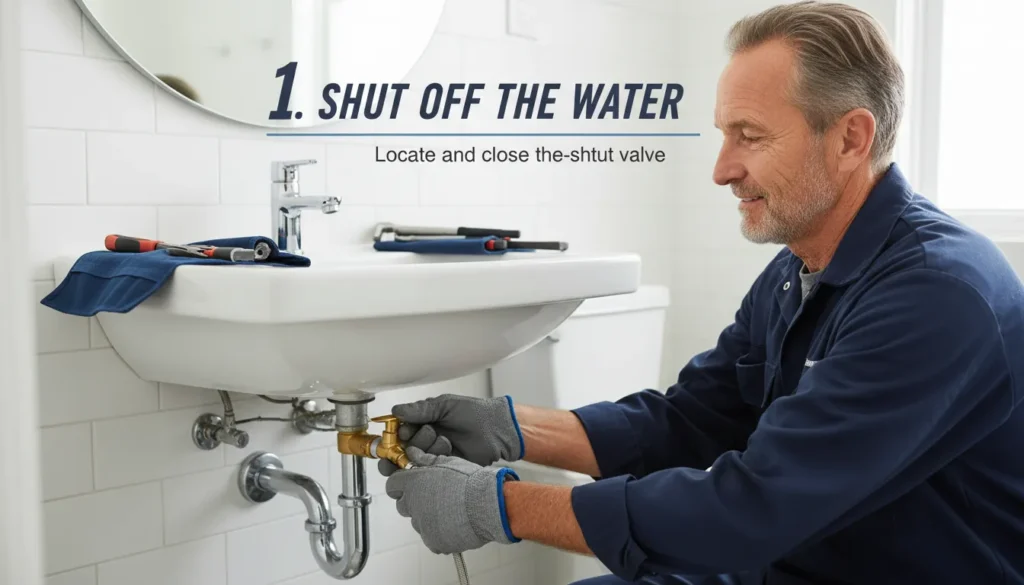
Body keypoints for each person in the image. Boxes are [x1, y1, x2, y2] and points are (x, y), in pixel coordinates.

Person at [382, 2, 1024, 583]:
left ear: (851, 138)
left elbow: (750, 511)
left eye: (750, 135)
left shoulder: (937, 296)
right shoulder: (798, 267)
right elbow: (695, 420)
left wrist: (501, 504)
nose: (722, 169)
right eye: (724, 134)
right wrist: (513, 429)